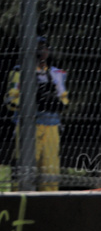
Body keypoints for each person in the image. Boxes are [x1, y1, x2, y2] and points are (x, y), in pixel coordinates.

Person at [6, 36, 68, 191]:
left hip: (52, 125)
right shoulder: (19, 72)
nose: (42, 51)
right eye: (39, 47)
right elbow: (10, 100)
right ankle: (19, 205)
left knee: (50, 172)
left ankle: (49, 207)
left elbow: (64, 99)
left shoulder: (57, 73)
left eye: (45, 47)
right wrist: (30, 101)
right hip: (28, 126)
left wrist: (56, 102)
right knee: (25, 172)